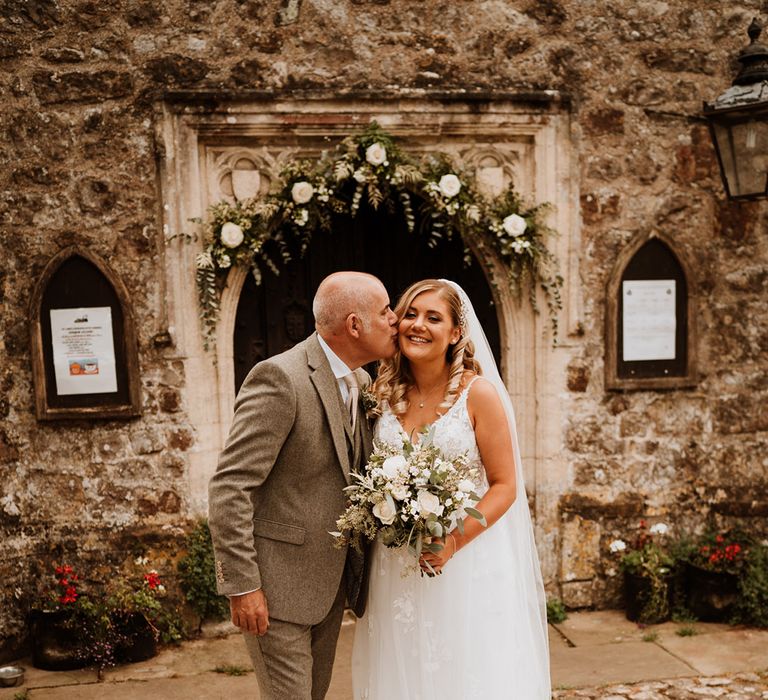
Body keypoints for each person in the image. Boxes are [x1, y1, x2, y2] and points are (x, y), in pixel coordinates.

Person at [352, 278, 551, 699]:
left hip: (464, 562)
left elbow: (505, 486)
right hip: (396, 565)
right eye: (409, 314)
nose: (417, 325)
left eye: (433, 317)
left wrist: (453, 543)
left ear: (456, 332)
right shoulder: (381, 394)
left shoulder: (479, 396)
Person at [208, 271, 397, 700]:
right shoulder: (280, 379)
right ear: (354, 325)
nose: (395, 321)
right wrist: (243, 585)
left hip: (328, 587)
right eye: (386, 311)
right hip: (275, 592)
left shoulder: (363, 383)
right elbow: (230, 487)